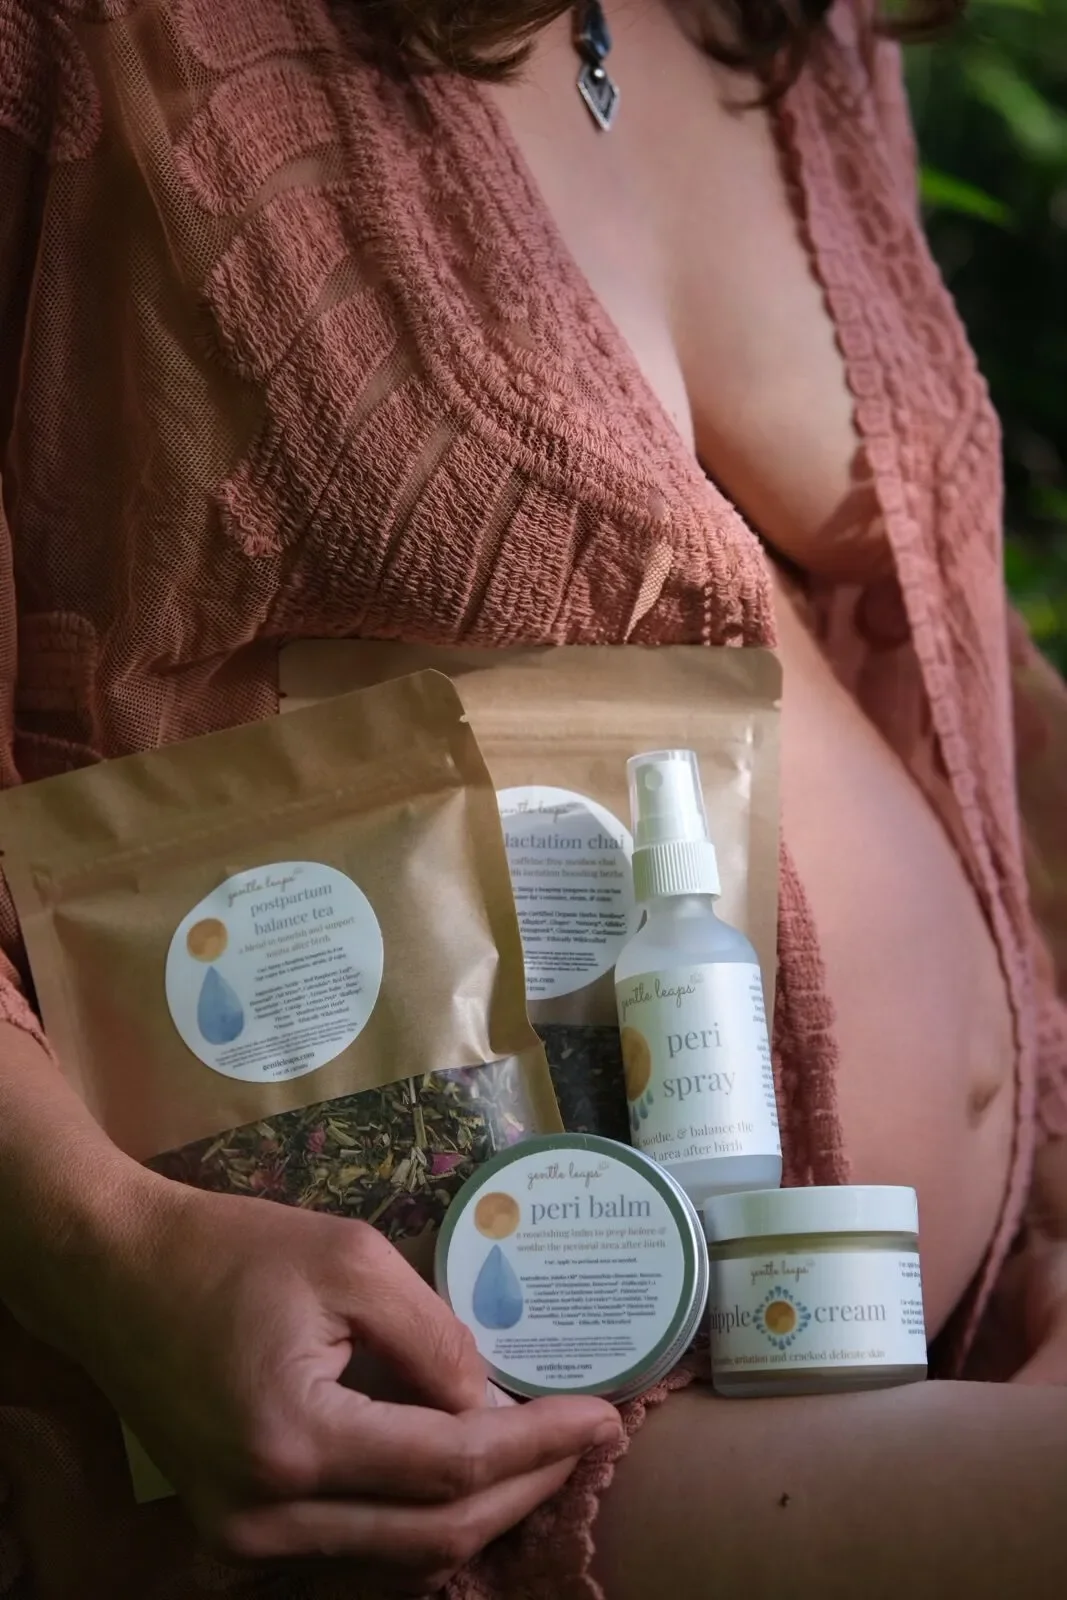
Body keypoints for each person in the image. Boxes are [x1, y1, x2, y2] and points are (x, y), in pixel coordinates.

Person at [1, 0, 1066, 1595]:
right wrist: (117, 1251)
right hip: (470, 1446)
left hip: (953, 1342)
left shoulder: (790, 25)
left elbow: (941, 665)